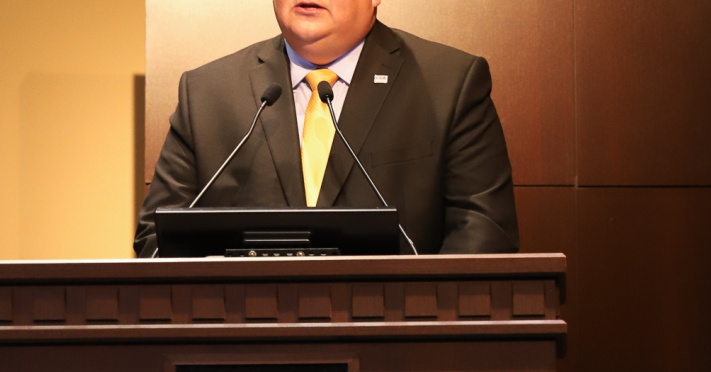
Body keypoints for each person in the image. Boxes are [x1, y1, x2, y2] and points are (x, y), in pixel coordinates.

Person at [134, 0, 519, 257]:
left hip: (396, 355)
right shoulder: (207, 94)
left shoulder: (448, 84)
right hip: (242, 357)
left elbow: (484, 234)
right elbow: (156, 240)